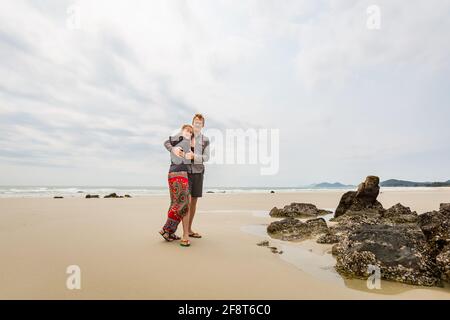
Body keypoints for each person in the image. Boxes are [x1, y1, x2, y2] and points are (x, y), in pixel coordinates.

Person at [159, 124, 194, 247]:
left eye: (190, 132)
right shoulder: (179, 138)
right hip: (178, 174)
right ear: (182, 131)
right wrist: (172, 149)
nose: (188, 132)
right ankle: (166, 229)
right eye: (187, 130)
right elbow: (165, 142)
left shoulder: (187, 144)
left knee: (175, 203)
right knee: (184, 204)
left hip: (175, 173)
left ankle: (169, 232)